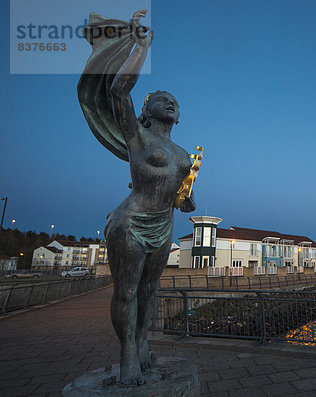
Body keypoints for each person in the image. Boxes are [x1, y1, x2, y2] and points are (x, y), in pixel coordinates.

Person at [78, 10, 196, 386]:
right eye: (162, 98)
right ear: (146, 109)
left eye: (174, 100)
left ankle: (142, 344)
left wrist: (188, 199)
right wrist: (141, 48)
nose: (170, 102)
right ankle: (128, 353)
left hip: (164, 226)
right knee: (127, 291)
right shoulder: (137, 138)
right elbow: (117, 91)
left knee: (150, 290)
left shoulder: (181, 154)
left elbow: (182, 191)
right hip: (131, 222)